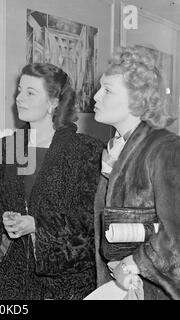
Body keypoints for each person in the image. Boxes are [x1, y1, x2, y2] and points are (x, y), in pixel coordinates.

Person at [0, 63, 104, 300]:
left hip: (63, 287)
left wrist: (38, 227)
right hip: (10, 285)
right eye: (19, 90)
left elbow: (92, 222)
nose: (19, 99)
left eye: (30, 93)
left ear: (54, 102)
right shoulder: (6, 148)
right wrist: (1, 220)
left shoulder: (87, 151)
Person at [93, 46, 180, 300]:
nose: (95, 97)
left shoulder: (166, 149)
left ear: (136, 99)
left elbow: (176, 238)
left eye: (107, 90)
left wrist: (133, 264)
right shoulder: (116, 148)